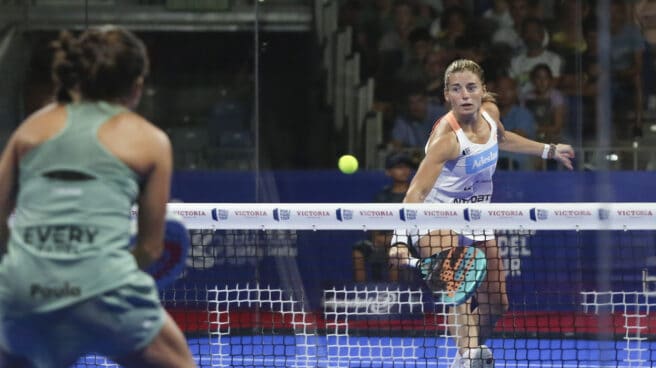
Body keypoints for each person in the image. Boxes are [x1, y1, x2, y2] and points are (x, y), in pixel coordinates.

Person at [0, 25, 196, 367]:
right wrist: (102, 274)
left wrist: (28, 265)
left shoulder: (29, 130)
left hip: (22, 291)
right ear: (136, 87)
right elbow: (151, 248)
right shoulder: (150, 141)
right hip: (107, 289)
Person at [387, 59, 574, 368]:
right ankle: (469, 354)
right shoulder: (444, 141)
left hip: (476, 214)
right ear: (447, 95)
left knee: (497, 303)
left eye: (471, 88)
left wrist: (549, 150)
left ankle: (467, 353)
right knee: (456, 284)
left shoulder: (491, 114)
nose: (465, 95)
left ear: (482, 91)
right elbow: (415, 194)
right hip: (437, 214)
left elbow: (502, 139)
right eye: (457, 89)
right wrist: (399, 240)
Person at [353, 151, 416, 283]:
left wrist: (394, 240)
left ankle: (395, 294)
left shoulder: (416, 196)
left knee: (395, 253)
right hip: (382, 242)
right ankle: (360, 292)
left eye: (406, 167)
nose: (404, 170)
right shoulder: (381, 197)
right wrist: (377, 238)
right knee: (358, 251)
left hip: (409, 243)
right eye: (399, 167)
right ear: (388, 172)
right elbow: (374, 227)